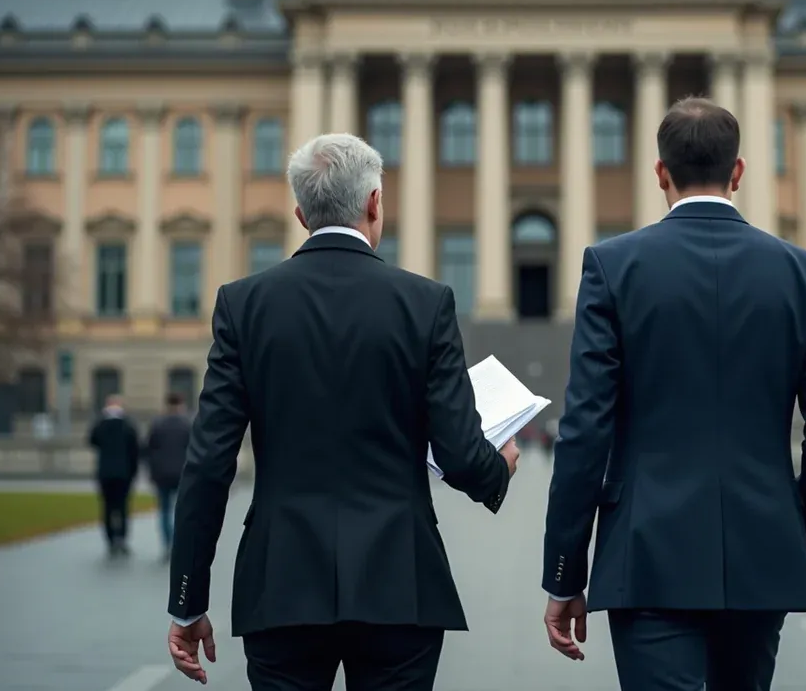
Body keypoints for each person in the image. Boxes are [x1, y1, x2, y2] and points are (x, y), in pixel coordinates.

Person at [165, 134, 520, 691]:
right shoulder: (426, 303)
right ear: (376, 202)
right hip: (399, 582)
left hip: (280, 584)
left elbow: (208, 463)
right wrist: (497, 468)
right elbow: (457, 449)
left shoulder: (242, 305)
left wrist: (188, 599)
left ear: (301, 212)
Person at [540, 98, 806, 691]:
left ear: (660, 173)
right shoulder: (803, 272)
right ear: (738, 172)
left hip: (647, 558)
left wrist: (565, 572)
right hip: (763, 554)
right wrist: (795, 525)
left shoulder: (613, 267)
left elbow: (584, 431)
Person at [87, 394, 140, 556]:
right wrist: (134, 471)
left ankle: (110, 539)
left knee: (107, 507)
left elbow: (92, 440)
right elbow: (135, 449)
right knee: (122, 507)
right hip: (124, 473)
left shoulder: (101, 424)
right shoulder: (128, 425)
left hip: (105, 472)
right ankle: (122, 539)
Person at [145, 392, 193, 559]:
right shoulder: (188, 425)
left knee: (164, 510)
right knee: (182, 511)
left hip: (162, 474)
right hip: (183, 474)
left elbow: (149, 450)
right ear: (181, 404)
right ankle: (180, 545)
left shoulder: (157, 424)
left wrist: (151, 471)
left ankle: (167, 544)